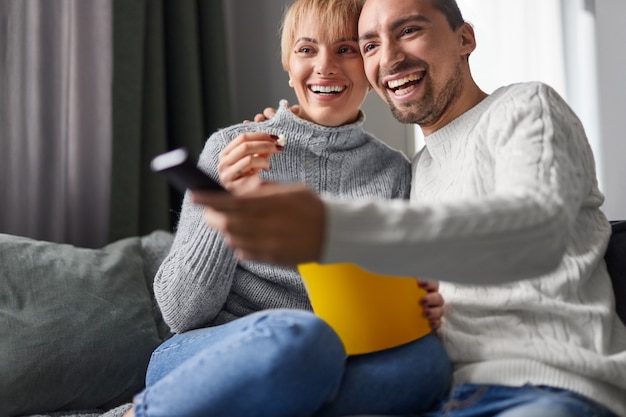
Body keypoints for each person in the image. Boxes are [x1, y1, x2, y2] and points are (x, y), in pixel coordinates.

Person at [193, 0, 626, 416]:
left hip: (548, 387)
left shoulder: (527, 106)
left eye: (409, 30)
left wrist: (327, 226)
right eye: (370, 45)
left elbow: (535, 232)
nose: (390, 57)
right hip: (441, 396)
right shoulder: (416, 172)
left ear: (464, 39)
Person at [122, 1, 451, 416]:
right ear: (288, 63)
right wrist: (225, 205)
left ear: (371, 64)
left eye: (347, 49)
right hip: (213, 353)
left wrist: (423, 305)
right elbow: (180, 312)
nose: (325, 67)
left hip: (330, 356)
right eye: (307, 49)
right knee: (301, 337)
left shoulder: (395, 174)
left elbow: (390, 299)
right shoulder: (232, 148)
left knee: (428, 366)